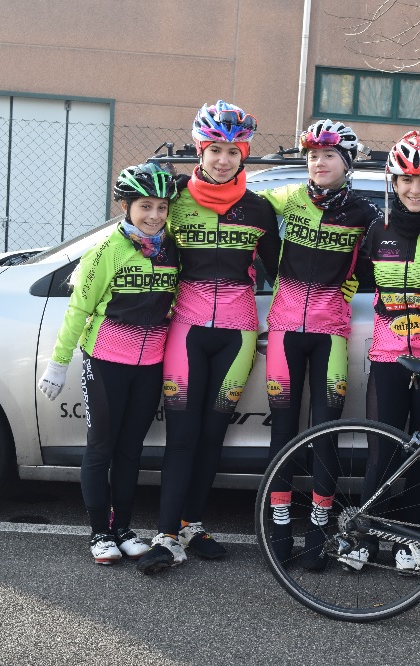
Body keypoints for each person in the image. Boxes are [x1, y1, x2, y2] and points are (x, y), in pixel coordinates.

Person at [137, 101, 281, 575]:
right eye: (215, 149)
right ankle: (165, 534)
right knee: (182, 435)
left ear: (244, 156)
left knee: (213, 434)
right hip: (187, 329)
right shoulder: (173, 199)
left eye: (233, 151)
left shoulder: (259, 208)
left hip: (238, 334)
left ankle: (192, 524)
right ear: (200, 149)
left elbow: (283, 270)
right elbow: (135, 235)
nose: (223, 159)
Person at [37, 163, 180, 565]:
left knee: (131, 450)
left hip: (150, 363)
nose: (154, 216)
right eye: (145, 206)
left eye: (162, 208)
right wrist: (58, 362)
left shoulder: (171, 249)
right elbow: (79, 310)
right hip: (106, 360)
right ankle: (100, 532)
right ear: (125, 206)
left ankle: (123, 528)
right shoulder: (105, 251)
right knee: (102, 447)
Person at [340, 130, 420, 572]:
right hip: (388, 356)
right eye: (407, 180)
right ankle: (364, 534)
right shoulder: (377, 230)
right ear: (393, 182)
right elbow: (350, 278)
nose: (415, 189)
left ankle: (409, 539)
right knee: (382, 449)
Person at [262, 119, 383, 571]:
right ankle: (278, 526)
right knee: (282, 431)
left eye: (329, 155)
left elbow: (400, 240)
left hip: (331, 330)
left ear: (347, 163)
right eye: (313, 155)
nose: (319, 162)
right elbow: (238, 200)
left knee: (325, 433)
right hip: (284, 328)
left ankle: (318, 526)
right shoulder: (289, 196)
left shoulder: (365, 213)